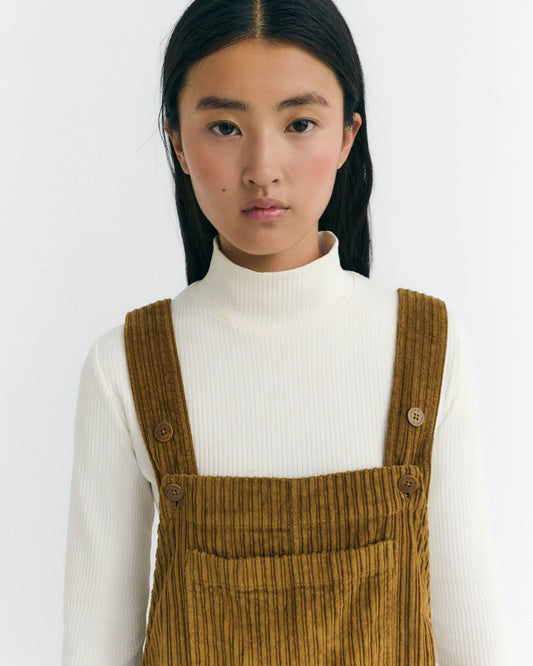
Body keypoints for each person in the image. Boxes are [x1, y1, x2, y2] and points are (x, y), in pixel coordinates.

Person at [61, 0, 514, 664]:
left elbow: (475, 640)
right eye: (224, 126)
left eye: (299, 122)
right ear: (177, 142)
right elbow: (94, 649)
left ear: (347, 136)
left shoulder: (427, 346)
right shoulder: (124, 366)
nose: (262, 166)